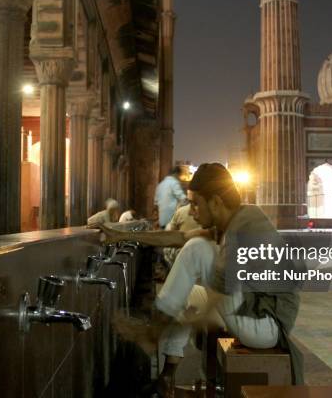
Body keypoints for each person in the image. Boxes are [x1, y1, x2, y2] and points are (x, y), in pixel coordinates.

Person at [99, 163, 302, 395]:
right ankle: (167, 375)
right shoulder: (233, 220)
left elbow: (217, 295)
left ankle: (153, 331)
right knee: (190, 286)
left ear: (215, 202)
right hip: (247, 310)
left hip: (266, 326)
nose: (192, 212)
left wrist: (175, 324)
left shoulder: (244, 227)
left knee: (198, 250)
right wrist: (121, 235)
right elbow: (179, 236)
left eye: (196, 204)